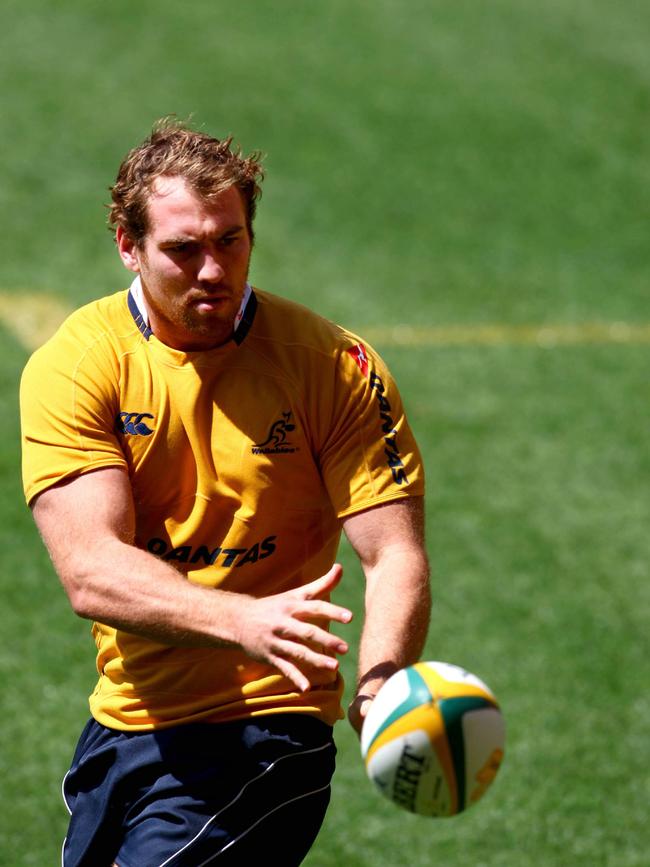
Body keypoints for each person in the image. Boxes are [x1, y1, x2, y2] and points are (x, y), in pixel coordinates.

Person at [20, 118, 431, 866]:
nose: (212, 269)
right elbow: (91, 570)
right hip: (125, 723)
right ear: (127, 244)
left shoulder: (334, 366)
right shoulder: (78, 365)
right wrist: (243, 618)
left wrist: (377, 687)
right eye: (183, 249)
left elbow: (394, 551)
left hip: (271, 732)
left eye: (230, 240)